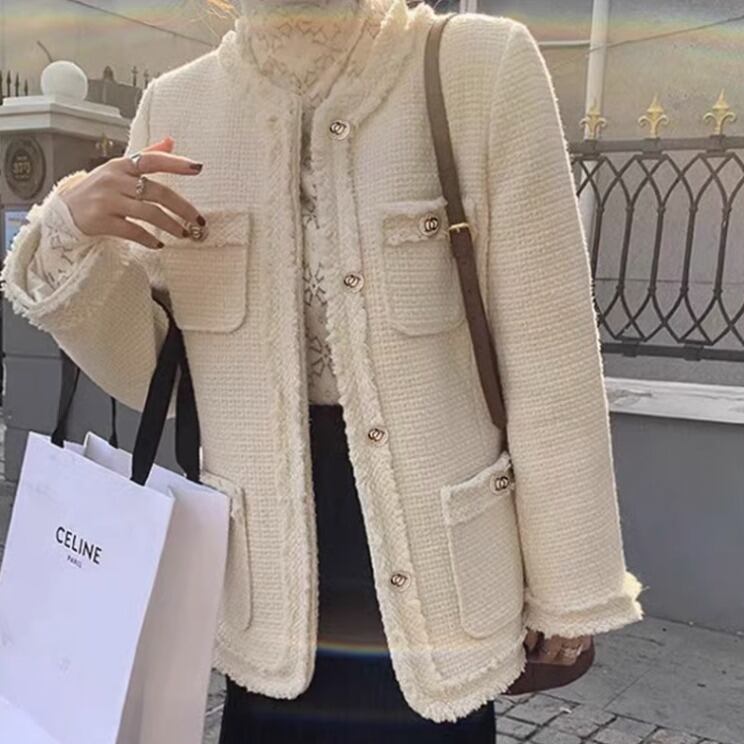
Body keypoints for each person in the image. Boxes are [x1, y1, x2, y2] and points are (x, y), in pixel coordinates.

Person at [1, 0, 645, 741]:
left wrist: (569, 583)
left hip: (445, 570)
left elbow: (550, 353)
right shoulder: (178, 107)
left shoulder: (478, 68)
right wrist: (68, 238)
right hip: (265, 580)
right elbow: (161, 383)